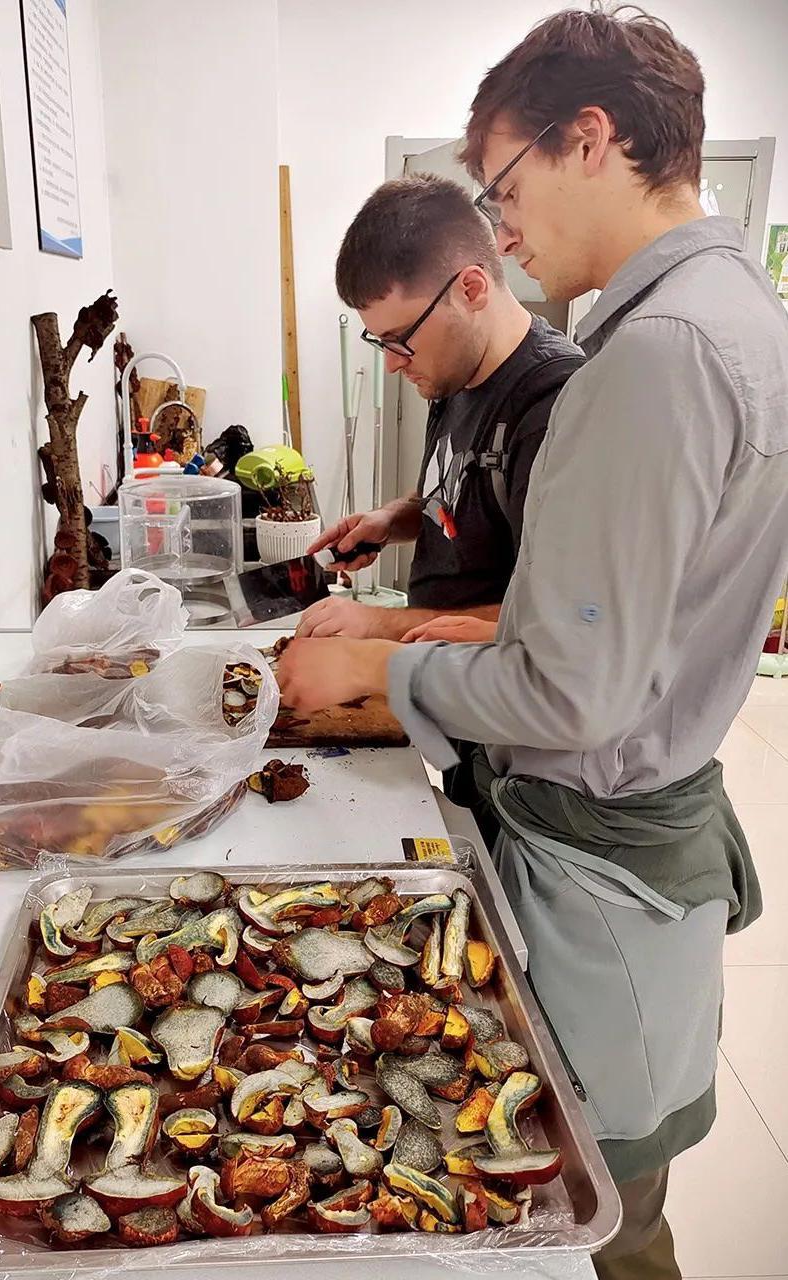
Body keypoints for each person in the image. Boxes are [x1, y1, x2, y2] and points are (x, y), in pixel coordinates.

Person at [279, 7, 788, 1278]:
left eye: (505, 187)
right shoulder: (729, 309)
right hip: (633, 834)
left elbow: (567, 685)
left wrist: (377, 661)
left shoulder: (652, 356)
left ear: (591, 138)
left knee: (595, 1204)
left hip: (601, 853)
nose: (501, 231)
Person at [296, 175, 583, 642]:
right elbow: (455, 501)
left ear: (471, 289)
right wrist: (390, 521)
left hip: (491, 699)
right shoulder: (455, 373)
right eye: (381, 342)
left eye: (401, 339)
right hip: (435, 670)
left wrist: (379, 624)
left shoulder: (554, 405)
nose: (391, 364)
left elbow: (560, 617)